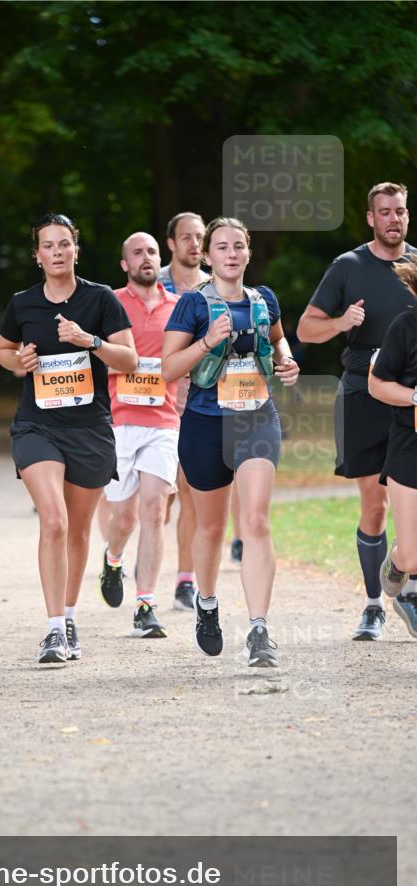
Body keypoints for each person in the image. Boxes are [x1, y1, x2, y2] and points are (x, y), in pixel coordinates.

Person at [0, 213, 137, 666]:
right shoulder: (22, 304)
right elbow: (3, 350)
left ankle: (70, 615)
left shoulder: (100, 299)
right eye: (47, 245)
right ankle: (54, 629)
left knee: (77, 531)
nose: (56, 252)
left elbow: (130, 359)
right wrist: (19, 360)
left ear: (76, 248)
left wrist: (88, 340)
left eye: (64, 244)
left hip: (90, 429)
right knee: (53, 521)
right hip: (37, 425)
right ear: (36, 255)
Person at [162, 217, 300, 667]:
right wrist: (206, 342)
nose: (231, 254)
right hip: (205, 424)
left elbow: (281, 345)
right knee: (210, 528)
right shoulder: (191, 304)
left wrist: (288, 362)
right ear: (207, 255)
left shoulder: (265, 300)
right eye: (221, 247)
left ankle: (259, 630)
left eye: (238, 246)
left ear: (247, 252)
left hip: (256, 418)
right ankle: (206, 602)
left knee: (255, 520)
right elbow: (168, 368)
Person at [297, 181, 416, 640]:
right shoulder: (348, 266)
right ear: (371, 218)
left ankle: (408, 586)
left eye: (400, 211)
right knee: (375, 502)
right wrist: (342, 321)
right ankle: (373, 605)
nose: (393, 219)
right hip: (362, 396)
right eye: (384, 212)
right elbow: (306, 329)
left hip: (410, 400)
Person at [99, 231, 180, 637]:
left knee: (154, 509)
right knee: (124, 515)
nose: (146, 258)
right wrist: (128, 366)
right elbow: (92, 360)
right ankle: (113, 558)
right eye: (137, 253)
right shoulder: (109, 303)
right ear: (124, 265)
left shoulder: (180, 307)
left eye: (151, 251)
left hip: (164, 423)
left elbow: (188, 359)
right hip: (119, 422)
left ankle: (146, 603)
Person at [159, 211, 210, 610]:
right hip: (154, 403)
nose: (195, 243)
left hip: (200, 401)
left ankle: (184, 581)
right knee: (160, 498)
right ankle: (132, 558)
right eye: (187, 237)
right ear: (172, 243)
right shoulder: (151, 285)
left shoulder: (218, 287)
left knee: (192, 490)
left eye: (200, 236)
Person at [369, 253, 417, 638]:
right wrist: (415, 397)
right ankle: (398, 564)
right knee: (414, 553)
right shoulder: (406, 326)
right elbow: (377, 384)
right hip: (409, 447)